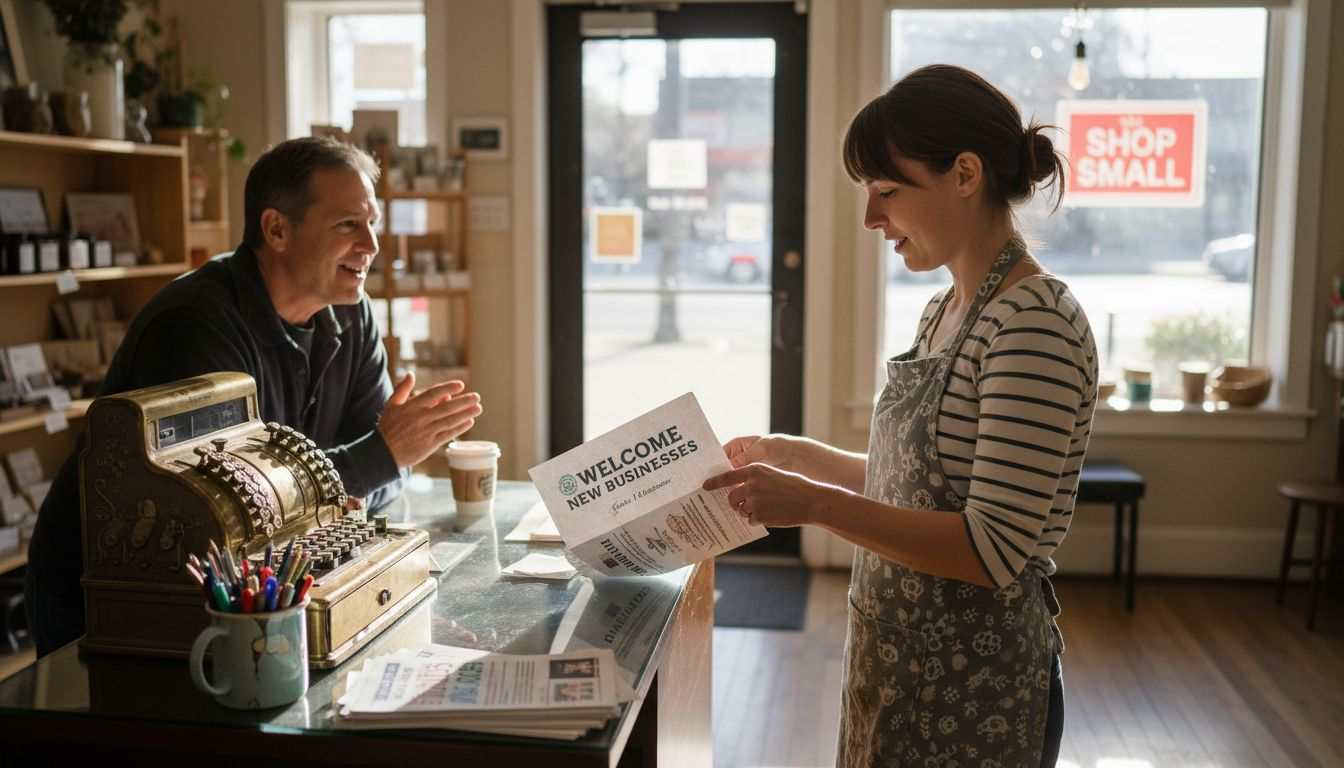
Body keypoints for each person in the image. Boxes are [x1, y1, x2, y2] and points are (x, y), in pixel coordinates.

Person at [705, 65, 1098, 766]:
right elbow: (927, 489)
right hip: (901, 667)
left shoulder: (1034, 323)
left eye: (887, 191)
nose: (871, 218)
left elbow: (989, 547)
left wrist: (812, 503)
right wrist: (801, 457)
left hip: (974, 694)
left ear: (966, 174)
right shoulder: (945, 310)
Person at [25, 137, 482, 656]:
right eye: (348, 224)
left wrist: (369, 465)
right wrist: (378, 457)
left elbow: (374, 477)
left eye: (373, 222)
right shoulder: (194, 325)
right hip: (106, 589)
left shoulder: (353, 313)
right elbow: (232, 512)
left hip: (250, 583)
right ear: (277, 230)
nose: (372, 245)